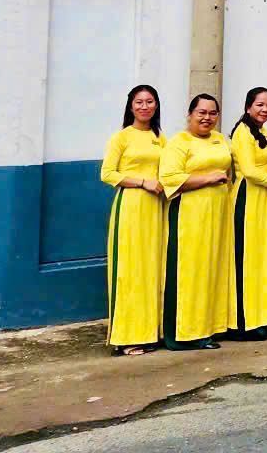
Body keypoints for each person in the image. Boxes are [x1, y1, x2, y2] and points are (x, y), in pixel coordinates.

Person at [158, 94, 232, 350]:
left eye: (212, 113)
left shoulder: (220, 139)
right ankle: (183, 334)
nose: (207, 118)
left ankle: (208, 327)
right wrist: (209, 178)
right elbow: (169, 178)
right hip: (189, 215)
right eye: (201, 112)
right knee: (189, 271)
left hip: (218, 215)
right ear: (189, 114)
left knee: (212, 270)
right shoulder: (179, 143)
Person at [100, 85, 165, 355]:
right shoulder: (122, 137)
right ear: (130, 106)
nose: (144, 107)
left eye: (150, 102)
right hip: (131, 206)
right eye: (139, 102)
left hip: (156, 209)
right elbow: (107, 173)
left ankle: (150, 332)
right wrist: (142, 182)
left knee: (152, 269)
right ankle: (127, 337)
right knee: (130, 269)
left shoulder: (160, 138)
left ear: (156, 106)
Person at [227, 87, 267, 339]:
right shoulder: (242, 132)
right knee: (245, 258)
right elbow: (248, 170)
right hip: (247, 197)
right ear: (248, 106)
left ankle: (259, 315)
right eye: (260, 105)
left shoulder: (263, 132)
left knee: (260, 258)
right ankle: (241, 322)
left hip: (263, 198)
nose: (265, 109)